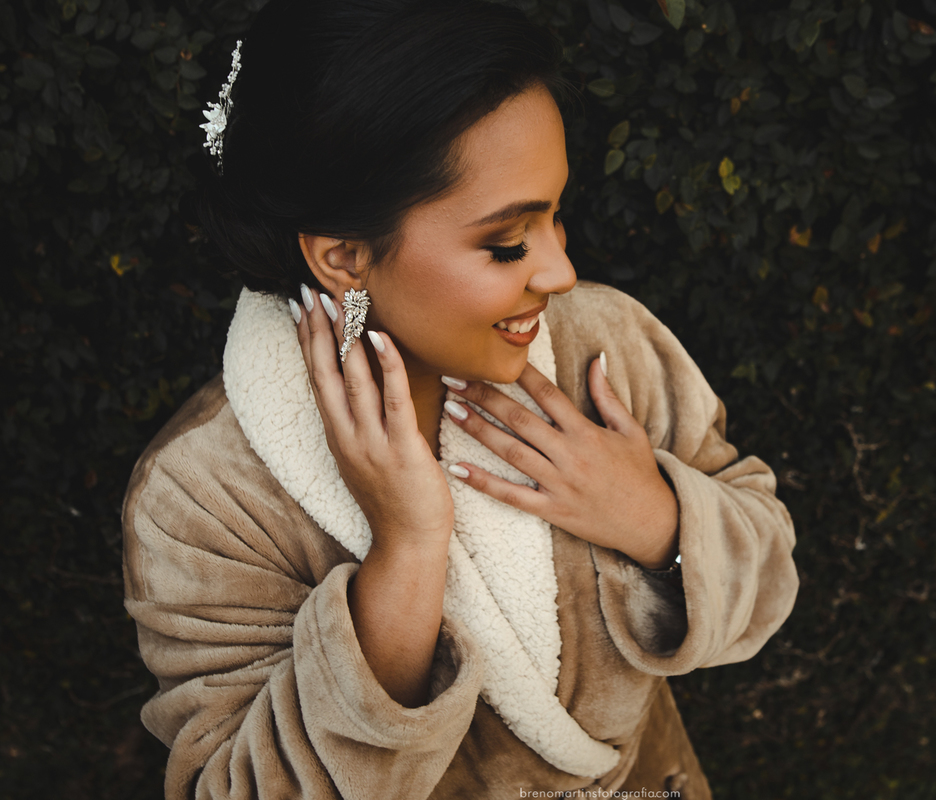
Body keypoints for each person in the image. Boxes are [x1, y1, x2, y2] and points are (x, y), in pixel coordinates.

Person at [121, 0, 799, 797]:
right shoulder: (204, 496)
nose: (560, 273)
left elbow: (769, 578)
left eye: (556, 217)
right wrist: (407, 550)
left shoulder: (605, 348)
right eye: (508, 243)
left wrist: (652, 518)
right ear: (344, 257)